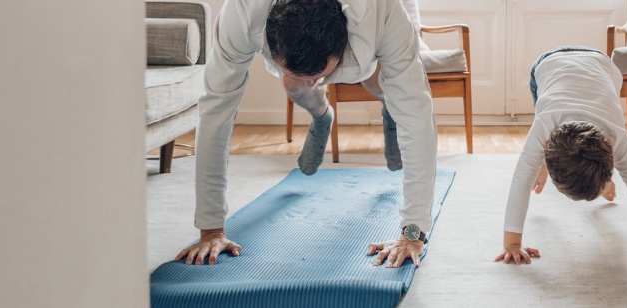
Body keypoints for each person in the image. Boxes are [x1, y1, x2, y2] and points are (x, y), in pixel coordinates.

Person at [175, 0, 438, 269]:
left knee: (381, 84)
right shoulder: (242, 13)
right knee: (295, 85)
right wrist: (211, 230)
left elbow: (417, 115)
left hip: (379, 30)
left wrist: (413, 232)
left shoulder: (383, 12)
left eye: (321, 74)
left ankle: (388, 112)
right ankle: (322, 116)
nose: (315, 81)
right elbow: (215, 114)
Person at [494, 46, 627, 271]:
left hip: (602, 66)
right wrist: (512, 243)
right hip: (548, 66)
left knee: (550, 156)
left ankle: (582, 171)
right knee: (531, 162)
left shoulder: (616, 135)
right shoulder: (544, 124)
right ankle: (545, 163)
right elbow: (520, 182)